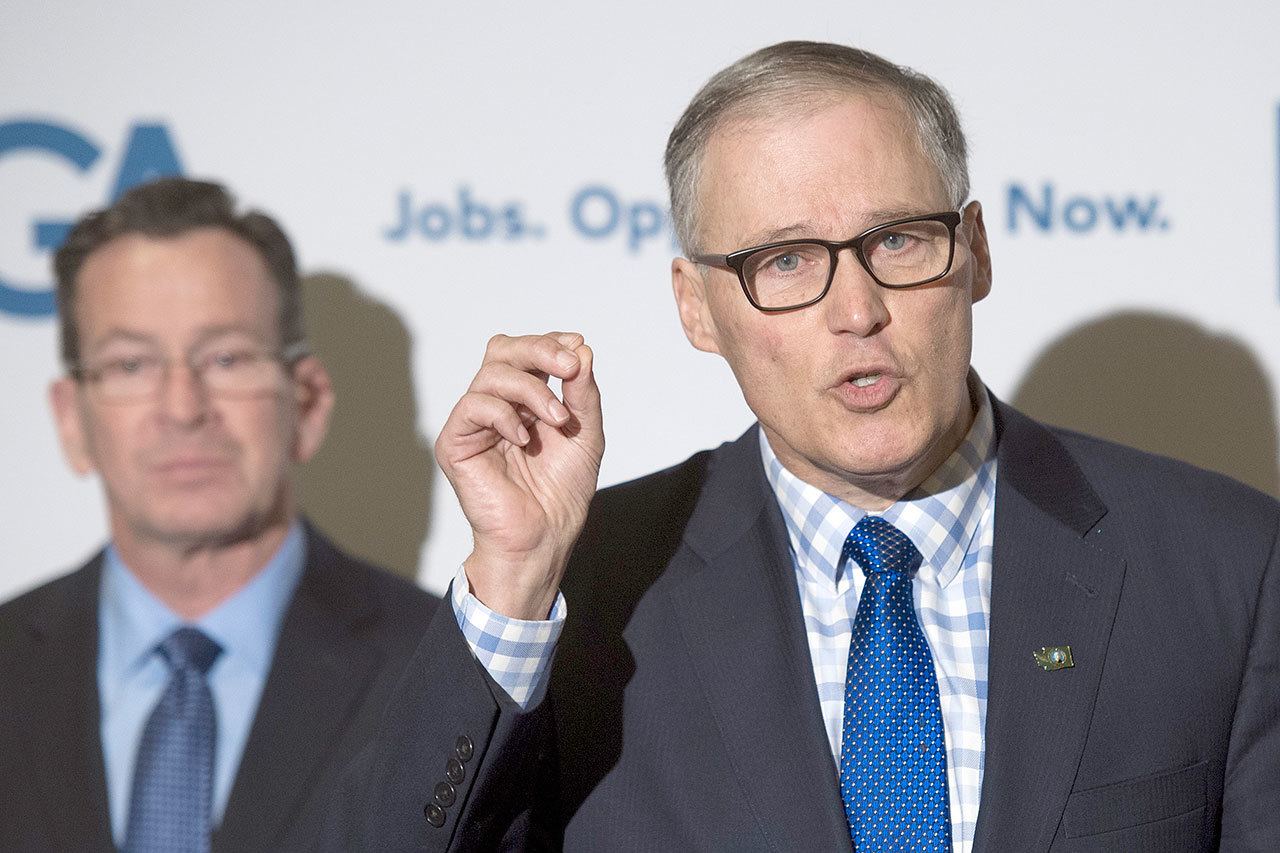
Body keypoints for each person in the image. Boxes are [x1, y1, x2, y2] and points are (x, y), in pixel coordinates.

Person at [335, 42, 1280, 851]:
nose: (858, 310)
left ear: (976, 252)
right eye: (784, 262)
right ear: (697, 308)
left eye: (899, 240)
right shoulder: (583, 593)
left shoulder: (1224, 566)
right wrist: (515, 579)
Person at [0, 178, 455, 852]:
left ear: (305, 402)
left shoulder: (441, 674)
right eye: (131, 364)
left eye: (227, 357)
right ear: (71, 419)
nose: (184, 407)